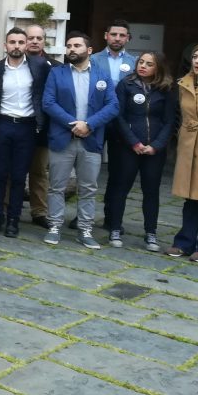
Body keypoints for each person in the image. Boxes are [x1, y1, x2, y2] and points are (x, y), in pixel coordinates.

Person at [42, 32, 119, 249]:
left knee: (88, 187)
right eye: (68, 46)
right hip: (62, 138)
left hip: (91, 139)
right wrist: (73, 123)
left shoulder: (102, 75)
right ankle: (55, 225)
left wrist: (89, 124)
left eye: (76, 45)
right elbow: (48, 103)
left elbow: (113, 106)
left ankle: (85, 229)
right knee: (57, 186)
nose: (71, 49)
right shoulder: (57, 73)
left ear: (89, 50)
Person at [107, 52, 176, 251]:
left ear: (158, 68)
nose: (143, 66)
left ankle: (151, 232)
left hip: (154, 148)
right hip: (129, 147)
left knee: (151, 191)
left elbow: (170, 120)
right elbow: (118, 116)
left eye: (149, 64)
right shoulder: (125, 85)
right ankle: (115, 228)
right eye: (141, 62)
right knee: (121, 188)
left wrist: (156, 145)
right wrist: (133, 142)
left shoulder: (166, 89)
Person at [0, 27, 49, 237]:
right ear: (5, 45)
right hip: (2, 124)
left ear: (26, 45)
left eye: (20, 42)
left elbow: (44, 95)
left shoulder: (39, 66)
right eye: (12, 42)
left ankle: (14, 220)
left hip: (27, 126)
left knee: (20, 176)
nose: (16, 46)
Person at [167, 42, 198, 263]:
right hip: (189, 145)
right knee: (191, 198)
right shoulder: (184, 83)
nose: (197, 61)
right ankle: (184, 242)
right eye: (195, 57)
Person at [92, 20, 136, 231]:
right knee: (89, 169)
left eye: (122, 35)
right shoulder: (93, 59)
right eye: (114, 34)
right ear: (106, 36)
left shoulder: (136, 63)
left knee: (118, 172)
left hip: (122, 123)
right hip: (97, 120)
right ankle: (84, 216)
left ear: (127, 38)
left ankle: (112, 216)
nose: (117, 38)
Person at [24, 24, 60, 227]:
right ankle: (5, 208)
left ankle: (39, 212)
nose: (35, 41)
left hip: (43, 128)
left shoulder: (54, 67)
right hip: (17, 124)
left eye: (39, 38)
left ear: (44, 40)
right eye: (31, 38)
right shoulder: (14, 63)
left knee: (39, 171)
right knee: (13, 171)